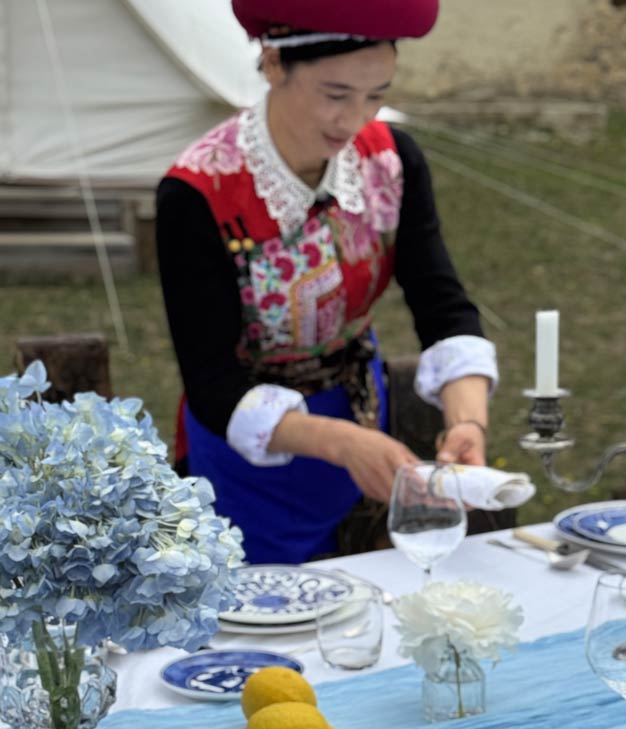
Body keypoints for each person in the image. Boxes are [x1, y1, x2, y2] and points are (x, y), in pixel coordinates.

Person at [156, 0, 498, 563]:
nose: (354, 120)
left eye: (376, 96)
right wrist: (339, 444)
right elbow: (212, 383)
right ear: (273, 64)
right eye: (335, 95)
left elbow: (442, 305)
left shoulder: (391, 162)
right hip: (250, 451)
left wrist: (468, 421)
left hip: (360, 427)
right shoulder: (199, 193)